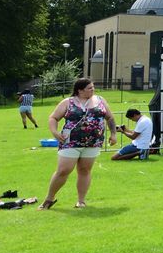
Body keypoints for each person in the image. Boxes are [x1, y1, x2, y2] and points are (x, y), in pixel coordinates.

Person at [43, 78, 115, 209]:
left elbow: (109, 117)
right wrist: (54, 132)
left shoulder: (100, 100)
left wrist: (113, 134)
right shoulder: (68, 102)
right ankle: (49, 199)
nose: (92, 90)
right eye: (89, 88)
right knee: (63, 170)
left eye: (93, 87)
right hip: (71, 141)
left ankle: (81, 201)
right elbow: (53, 117)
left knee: (84, 170)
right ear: (80, 90)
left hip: (93, 142)